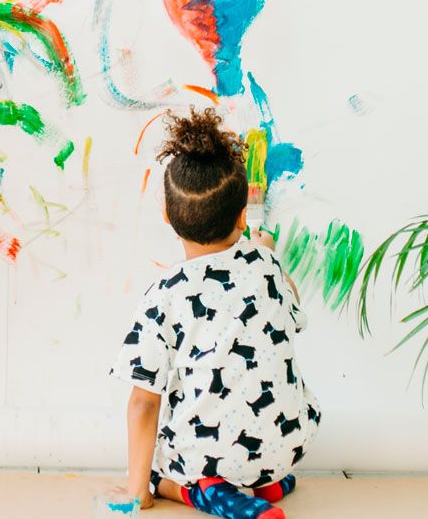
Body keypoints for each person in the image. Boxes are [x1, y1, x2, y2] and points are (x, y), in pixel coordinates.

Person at [111, 108, 320, 519]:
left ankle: (206, 493)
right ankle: (263, 483)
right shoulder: (268, 264)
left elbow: (143, 403)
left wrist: (138, 492)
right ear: (243, 216)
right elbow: (293, 313)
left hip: (215, 458)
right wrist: (267, 255)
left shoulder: (166, 295)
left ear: (169, 219)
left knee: (153, 470)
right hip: (290, 447)